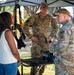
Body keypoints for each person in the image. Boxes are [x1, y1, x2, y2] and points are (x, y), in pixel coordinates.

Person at [23, 2, 58, 75]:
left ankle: (40, 73)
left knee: (45, 61)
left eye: (46, 8)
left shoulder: (49, 17)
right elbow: (25, 26)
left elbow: (55, 27)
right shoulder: (34, 17)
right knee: (35, 62)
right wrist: (30, 36)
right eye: (43, 8)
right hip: (37, 44)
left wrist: (51, 35)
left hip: (45, 43)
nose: (45, 10)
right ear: (40, 8)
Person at [52, 9, 74, 75]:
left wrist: (51, 47)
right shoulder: (72, 26)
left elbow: (62, 47)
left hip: (64, 62)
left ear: (64, 16)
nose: (56, 18)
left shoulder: (65, 28)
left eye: (58, 16)